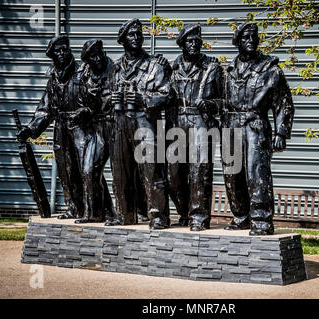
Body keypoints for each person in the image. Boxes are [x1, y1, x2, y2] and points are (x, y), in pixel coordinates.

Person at [221, 23, 295, 236]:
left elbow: (283, 103)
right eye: (245, 37)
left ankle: (261, 219)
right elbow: (222, 101)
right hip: (231, 127)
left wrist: (282, 132)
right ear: (237, 42)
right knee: (233, 174)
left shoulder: (269, 69)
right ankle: (241, 216)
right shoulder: (229, 70)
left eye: (254, 37)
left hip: (255, 126)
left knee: (256, 173)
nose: (251, 41)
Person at [106, 18, 172, 230]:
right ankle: (125, 214)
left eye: (139, 34)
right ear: (123, 40)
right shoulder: (115, 68)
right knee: (120, 171)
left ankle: (158, 216)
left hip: (145, 125)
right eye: (131, 35)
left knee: (152, 171)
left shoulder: (154, 65)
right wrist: (111, 100)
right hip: (119, 125)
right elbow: (104, 98)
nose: (136, 38)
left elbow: (166, 95)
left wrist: (142, 99)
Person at [16, 35, 85, 220]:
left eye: (65, 49)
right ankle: (73, 207)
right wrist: (30, 129)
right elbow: (45, 109)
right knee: (64, 169)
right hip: (61, 128)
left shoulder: (82, 72)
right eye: (58, 51)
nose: (62, 53)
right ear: (52, 55)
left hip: (81, 127)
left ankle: (93, 208)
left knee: (85, 169)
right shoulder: (53, 79)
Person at [167, 24, 224, 231]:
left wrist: (211, 104)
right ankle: (184, 213)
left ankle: (199, 217)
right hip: (176, 123)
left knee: (200, 171)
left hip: (201, 122)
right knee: (173, 174)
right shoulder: (172, 69)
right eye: (189, 41)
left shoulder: (212, 67)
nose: (194, 44)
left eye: (197, 41)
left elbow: (225, 101)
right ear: (182, 44)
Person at [73, 38, 116, 223]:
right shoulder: (85, 77)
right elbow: (85, 105)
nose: (97, 58)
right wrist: (85, 110)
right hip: (98, 128)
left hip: (116, 126)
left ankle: (129, 213)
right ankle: (95, 213)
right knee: (89, 170)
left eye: (99, 54)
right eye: (93, 57)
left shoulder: (116, 71)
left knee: (123, 172)